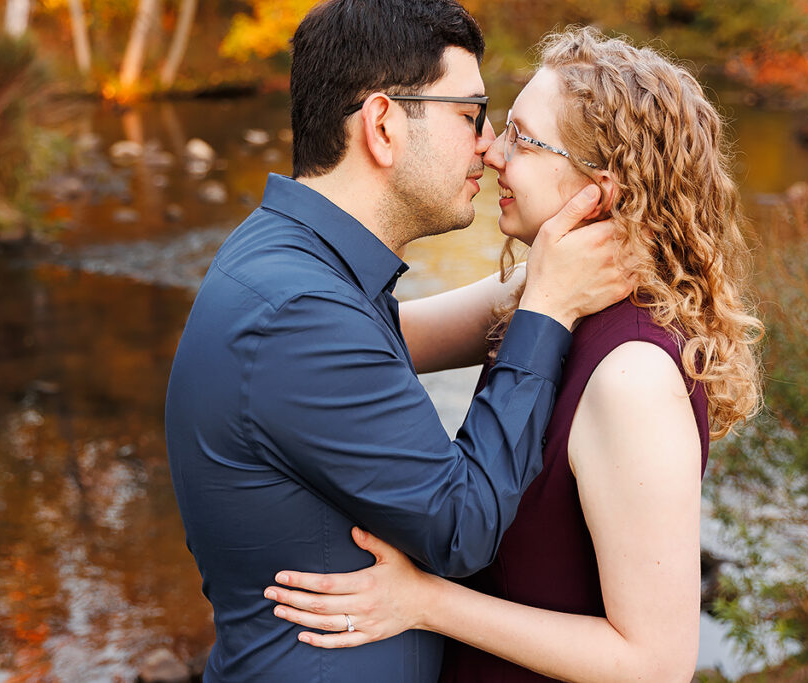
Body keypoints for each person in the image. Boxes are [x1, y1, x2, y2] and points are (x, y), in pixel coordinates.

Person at [264, 27, 764, 683]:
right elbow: (373, 343)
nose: (491, 151)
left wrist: (426, 602)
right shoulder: (545, 291)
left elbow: (656, 662)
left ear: (600, 190)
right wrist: (263, 295)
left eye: (523, 139)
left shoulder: (633, 378)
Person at [164, 3, 631, 682]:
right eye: (470, 114)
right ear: (383, 125)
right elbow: (460, 526)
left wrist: (555, 276)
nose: (488, 145)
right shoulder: (301, 312)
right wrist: (550, 307)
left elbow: (385, 343)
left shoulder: (293, 258)